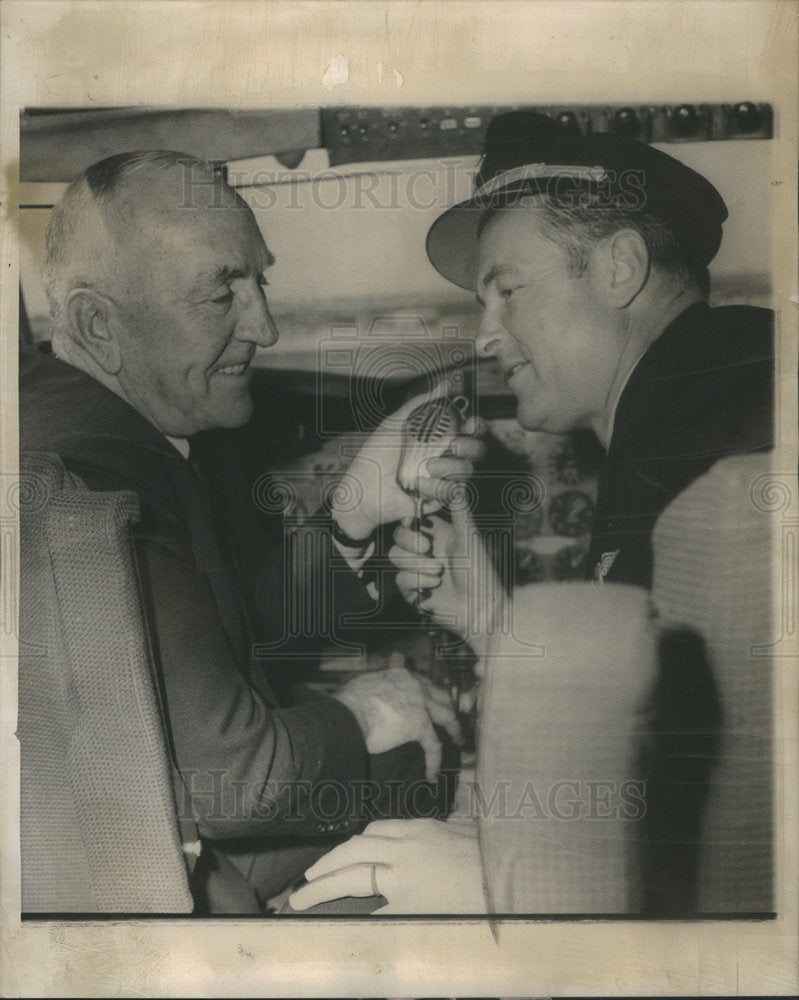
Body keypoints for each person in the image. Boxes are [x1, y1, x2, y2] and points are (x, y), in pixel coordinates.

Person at [288, 111, 775, 914]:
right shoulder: (692, 398)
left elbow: (736, 829)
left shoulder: (726, 424)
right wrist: (490, 621)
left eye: (507, 292)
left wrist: (499, 884)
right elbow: (663, 722)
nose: (485, 337)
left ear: (618, 267)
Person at [19, 149, 484, 913]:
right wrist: (366, 709)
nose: (263, 326)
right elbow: (239, 780)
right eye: (219, 294)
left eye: (257, 279)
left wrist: (351, 513)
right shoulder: (96, 476)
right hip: (163, 895)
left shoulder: (89, 422)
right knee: (426, 773)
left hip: (142, 851)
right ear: (98, 323)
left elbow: (217, 634)